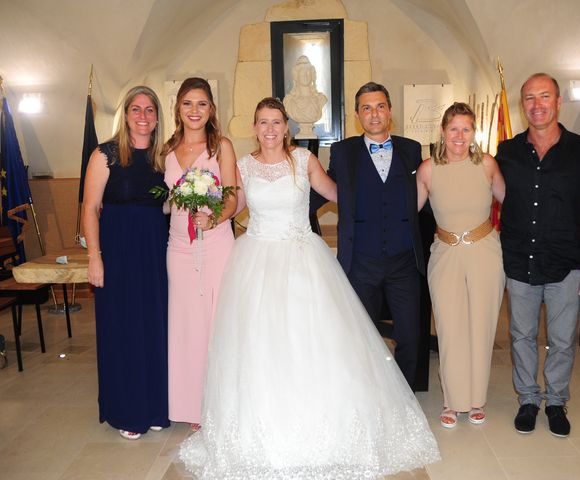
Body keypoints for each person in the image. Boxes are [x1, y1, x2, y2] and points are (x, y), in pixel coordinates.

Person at [179, 97, 440, 478]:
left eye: (276, 122)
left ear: (287, 128)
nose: (270, 129)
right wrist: (209, 215)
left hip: (303, 260)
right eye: (263, 122)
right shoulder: (245, 165)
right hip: (257, 262)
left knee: (311, 340)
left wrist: (387, 206)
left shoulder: (304, 161)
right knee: (261, 345)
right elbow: (234, 206)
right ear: (254, 128)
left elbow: (343, 195)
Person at [497, 73, 580, 437]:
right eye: (529, 98)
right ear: (522, 105)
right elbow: (487, 197)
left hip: (567, 264)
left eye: (544, 96)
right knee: (521, 336)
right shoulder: (508, 151)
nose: (536, 104)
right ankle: (529, 400)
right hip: (520, 261)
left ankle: (557, 401)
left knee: (562, 339)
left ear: (558, 102)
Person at [322, 81, 426, 389]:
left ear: (390, 111)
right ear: (357, 115)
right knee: (359, 336)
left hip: (404, 262)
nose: (374, 114)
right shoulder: (342, 152)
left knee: (409, 334)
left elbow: (431, 191)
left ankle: (405, 395)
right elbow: (322, 189)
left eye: (380, 106)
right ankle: (366, 394)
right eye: (366, 108)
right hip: (360, 262)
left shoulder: (411, 149)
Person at [83, 85, 169, 440]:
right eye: (137, 109)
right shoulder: (105, 154)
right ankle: (126, 410)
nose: (144, 116)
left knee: (154, 327)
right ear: (126, 114)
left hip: (154, 253)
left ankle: (153, 406)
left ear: (157, 117)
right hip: (117, 254)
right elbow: (89, 208)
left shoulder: (164, 156)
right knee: (123, 329)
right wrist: (94, 257)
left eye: (150, 110)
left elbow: (163, 205)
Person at [416, 102, 505, 428]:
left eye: (466, 129)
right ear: (443, 130)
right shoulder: (428, 170)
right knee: (451, 328)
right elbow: (406, 211)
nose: (459, 135)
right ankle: (453, 401)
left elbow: (512, 201)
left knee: (480, 325)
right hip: (446, 253)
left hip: (484, 252)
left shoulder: (486, 164)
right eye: (454, 128)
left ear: (473, 133)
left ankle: (476, 399)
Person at [163, 77, 238, 431]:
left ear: (211, 109)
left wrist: (213, 219)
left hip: (217, 243)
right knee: (186, 326)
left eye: (202, 104)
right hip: (178, 249)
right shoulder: (165, 150)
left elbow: (235, 198)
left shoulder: (220, 146)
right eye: (188, 103)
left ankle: (220, 402)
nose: (195, 111)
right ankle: (192, 404)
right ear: (178, 107)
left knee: (217, 323)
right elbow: (160, 202)